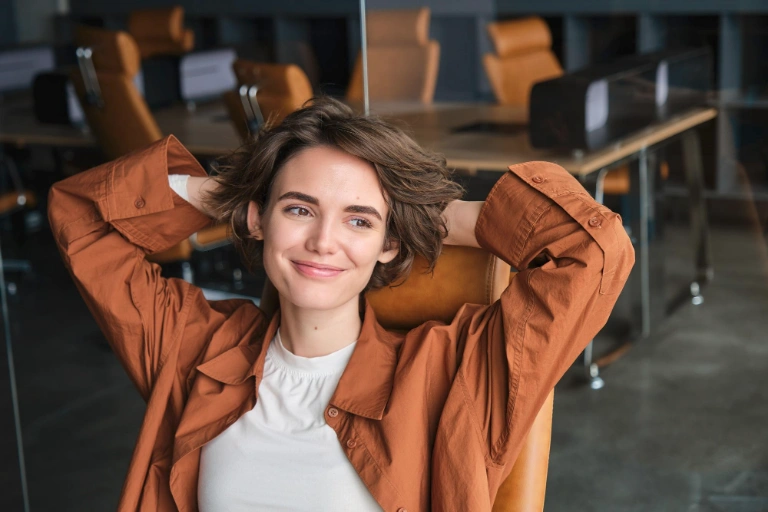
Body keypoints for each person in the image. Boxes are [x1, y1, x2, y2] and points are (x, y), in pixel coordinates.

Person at [49, 98, 634, 511]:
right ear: (259, 220)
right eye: (299, 209)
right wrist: (232, 196)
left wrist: (424, 219)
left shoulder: (450, 374)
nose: (323, 242)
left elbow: (593, 249)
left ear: (388, 244)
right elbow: (82, 216)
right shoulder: (194, 349)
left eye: (358, 220)